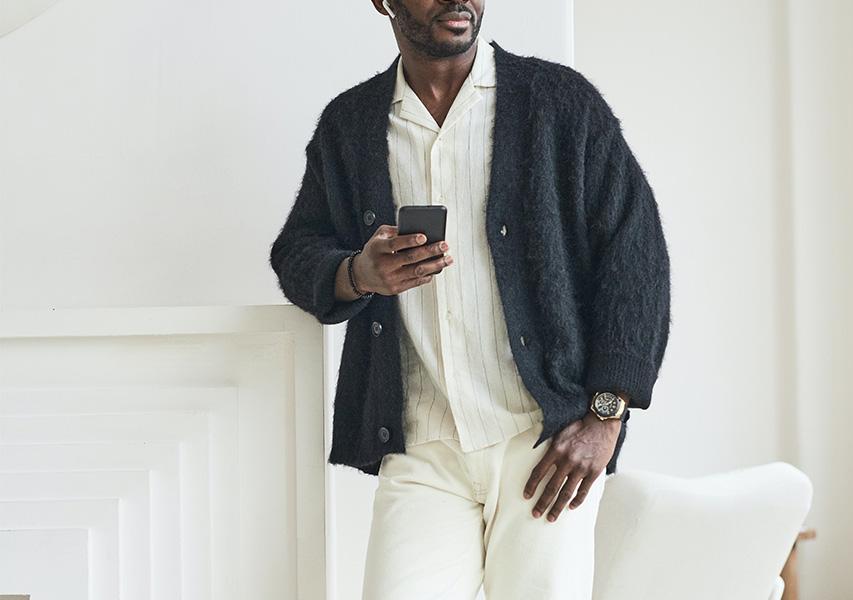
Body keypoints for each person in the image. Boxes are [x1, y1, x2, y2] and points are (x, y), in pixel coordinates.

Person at [269, 1, 671, 597]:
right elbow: (297, 251)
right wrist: (357, 272)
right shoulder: (351, 124)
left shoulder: (559, 103)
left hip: (543, 443)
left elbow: (635, 258)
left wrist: (605, 417)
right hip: (422, 446)